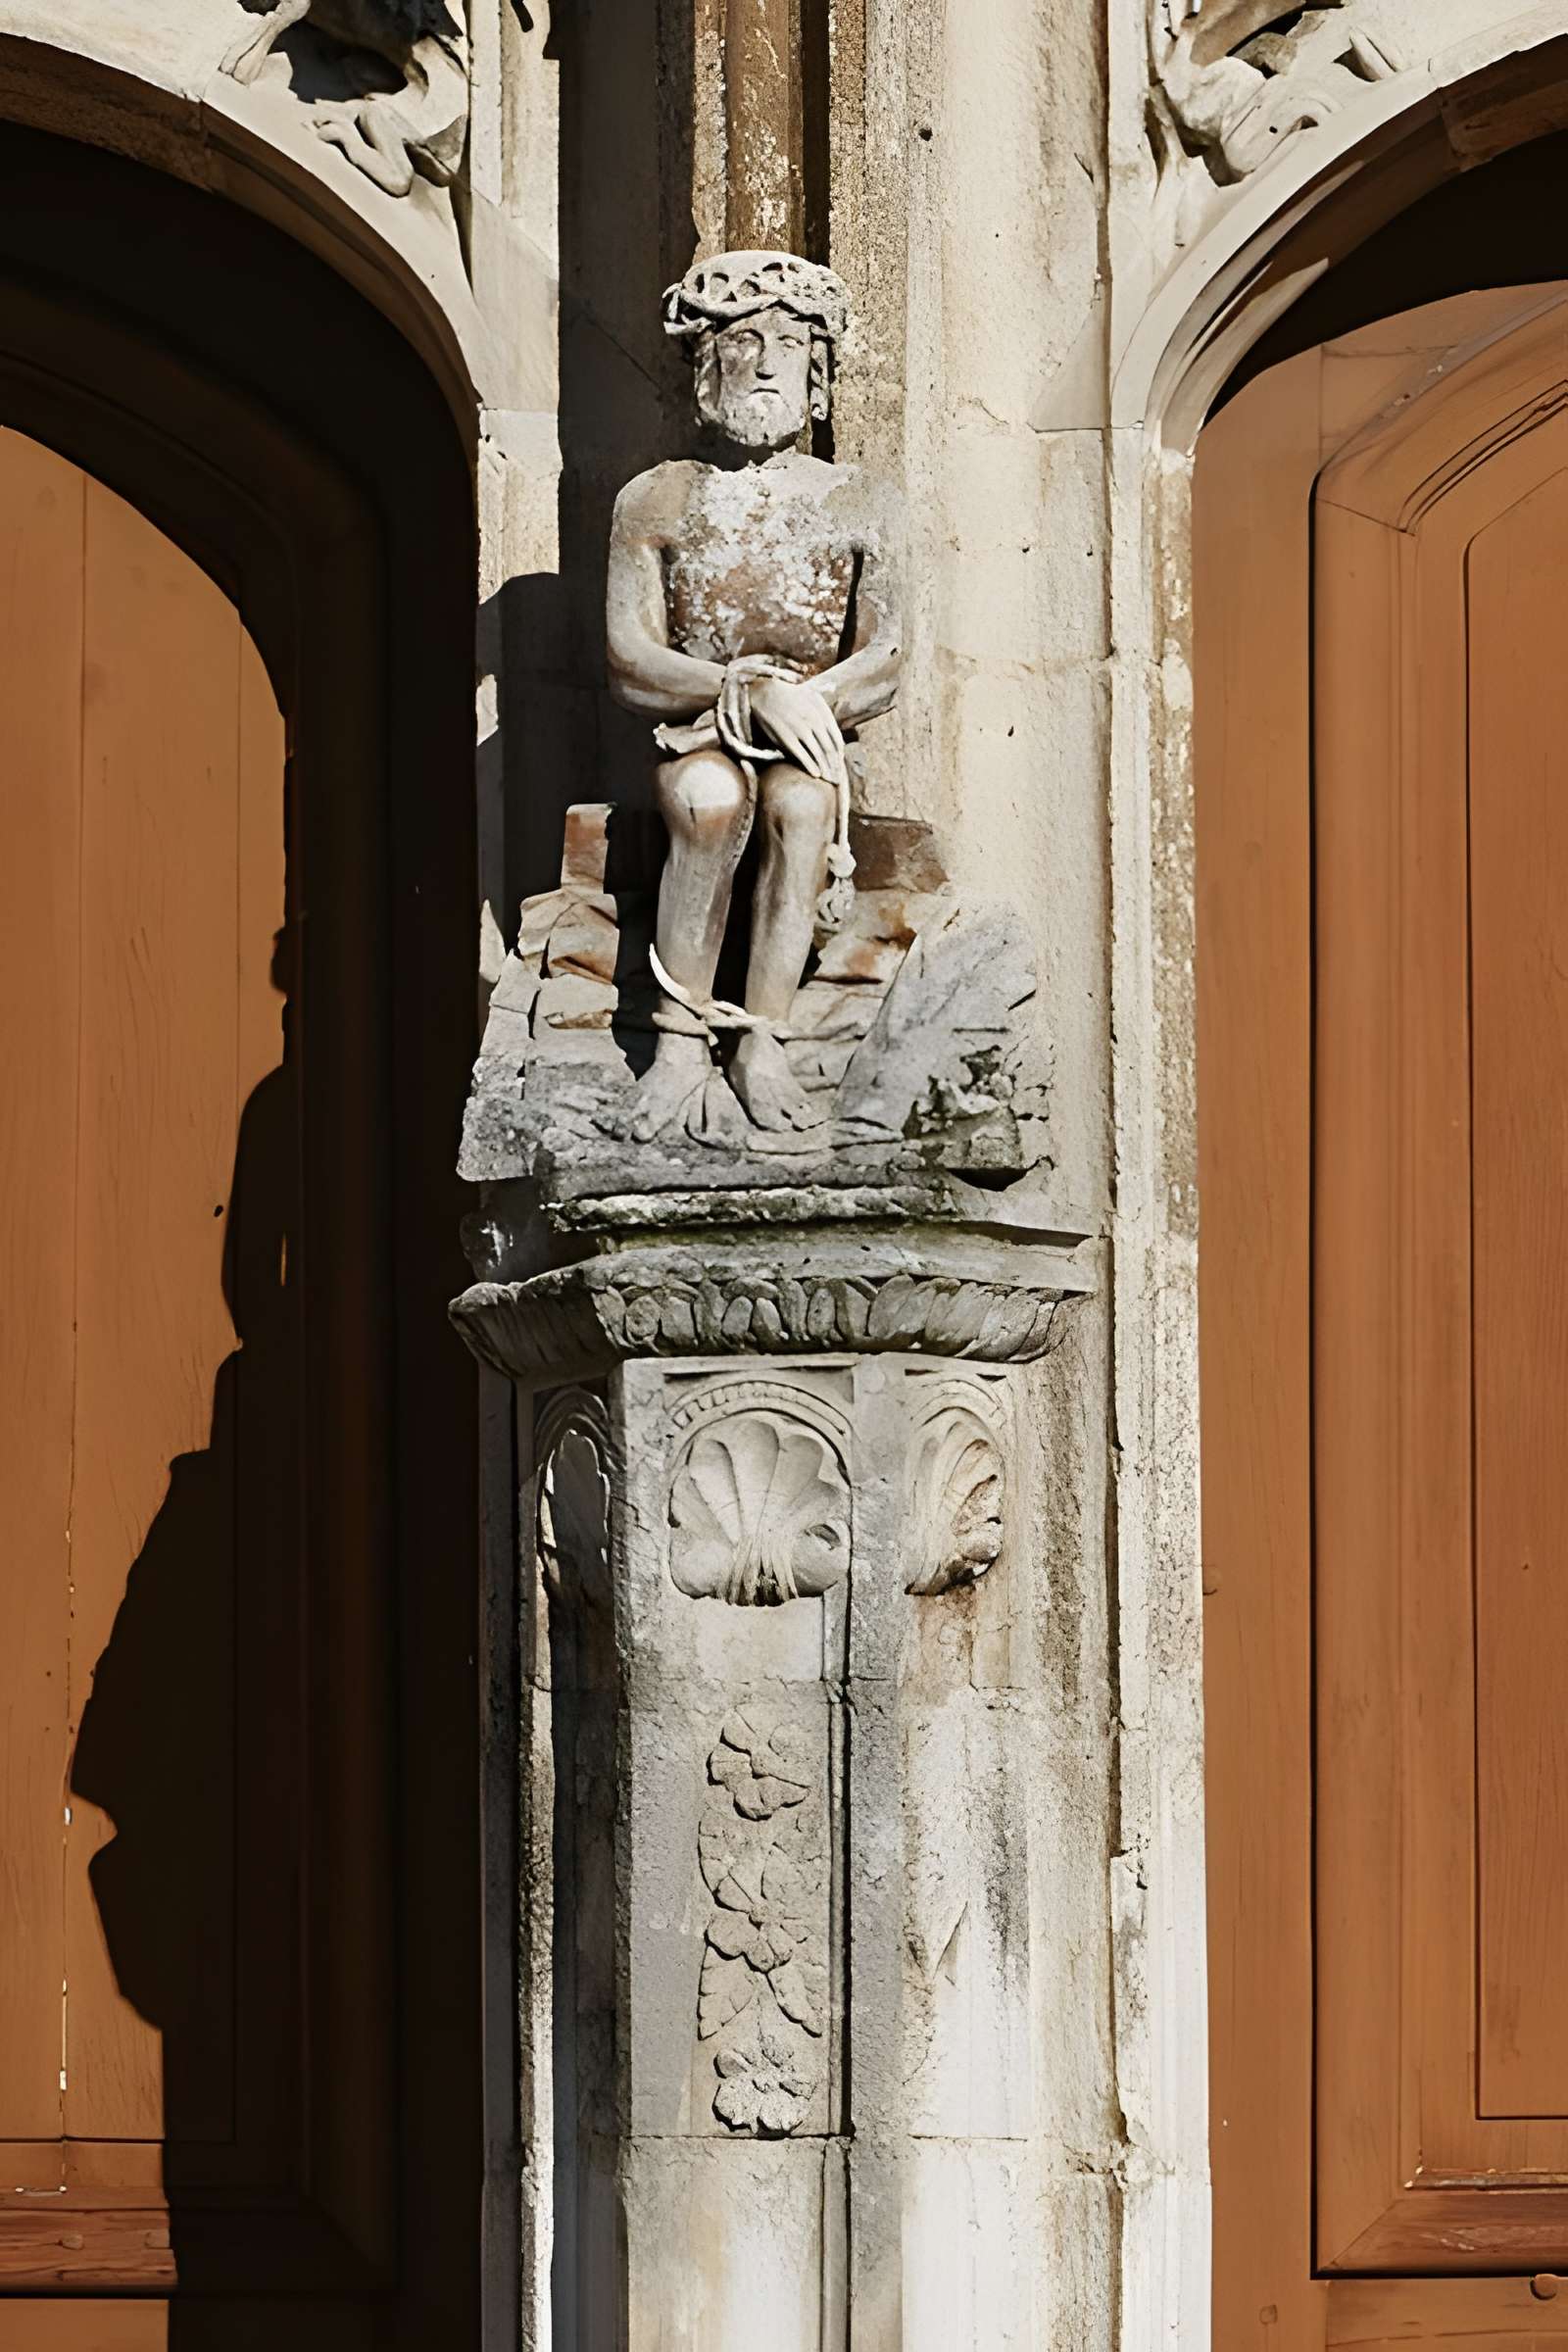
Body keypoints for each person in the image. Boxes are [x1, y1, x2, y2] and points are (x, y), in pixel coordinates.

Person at [606, 250, 905, 1140]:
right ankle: (678, 1044)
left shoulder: (860, 499)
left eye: (788, 343)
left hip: (812, 737)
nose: (767, 361)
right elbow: (628, 657)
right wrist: (739, 688)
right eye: (744, 342)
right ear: (708, 365)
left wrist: (808, 703)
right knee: (705, 800)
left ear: (817, 372)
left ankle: (763, 1038)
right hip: (699, 727)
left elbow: (887, 653)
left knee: (803, 811)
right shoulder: (657, 497)